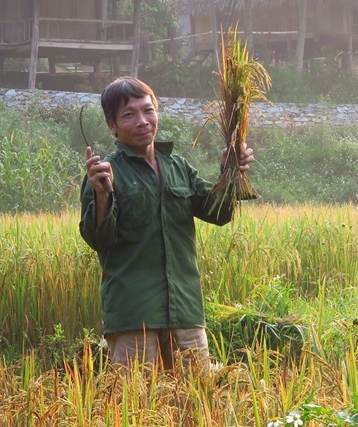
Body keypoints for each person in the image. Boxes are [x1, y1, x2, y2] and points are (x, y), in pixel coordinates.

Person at [79, 76, 254, 374]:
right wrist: (102, 195)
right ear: (112, 126)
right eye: (129, 115)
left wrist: (231, 172)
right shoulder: (105, 173)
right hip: (135, 315)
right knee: (137, 407)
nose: (142, 121)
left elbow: (218, 213)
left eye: (148, 111)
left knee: (195, 404)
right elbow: (99, 239)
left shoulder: (178, 167)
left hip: (185, 312)